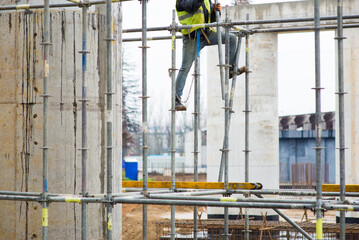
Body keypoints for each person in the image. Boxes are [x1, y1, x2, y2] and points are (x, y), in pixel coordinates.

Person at [175, 0, 247, 111]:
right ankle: (176, 99)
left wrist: (215, 11)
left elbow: (210, 19)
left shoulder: (206, 1)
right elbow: (192, 7)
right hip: (192, 37)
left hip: (207, 34)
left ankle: (231, 70)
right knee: (185, 68)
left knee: (231, 38)